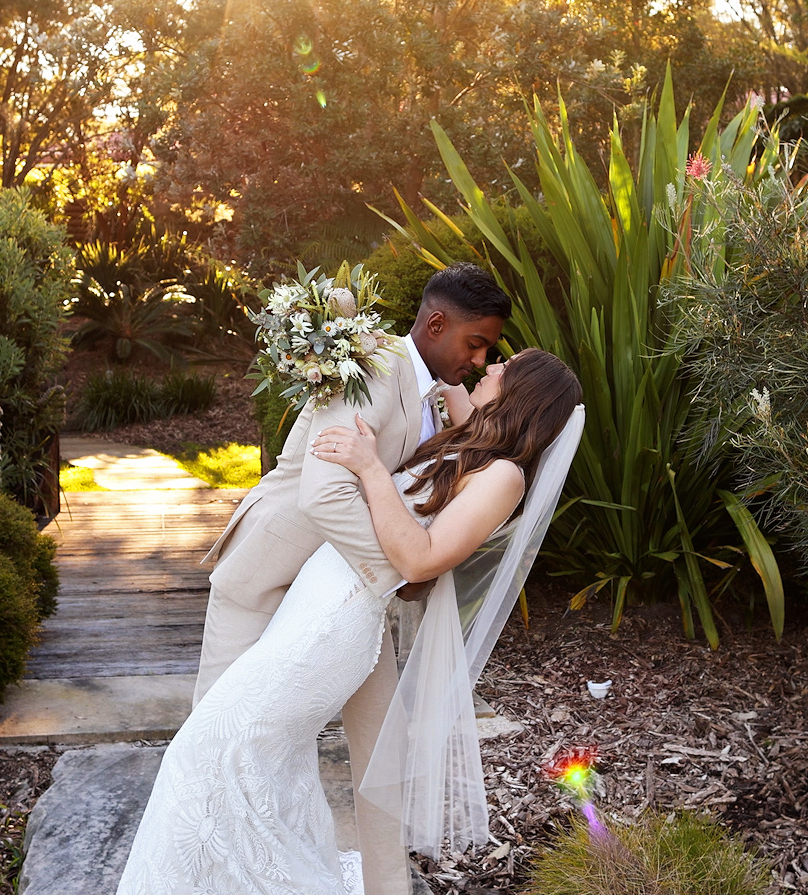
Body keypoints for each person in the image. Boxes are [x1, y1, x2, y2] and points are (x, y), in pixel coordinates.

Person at [117, 347, 584, 895]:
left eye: (507, 366)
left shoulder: (505, 477)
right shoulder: (480, 444)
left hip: (333, 626)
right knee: (266, 762)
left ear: (525, 393)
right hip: (314, 604)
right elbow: (441, 367)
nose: (492, 366)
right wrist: (341, 336)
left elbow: (421, 559)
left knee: (208, 749)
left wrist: (369, 468)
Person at [185, 263, 508, 895]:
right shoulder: (372, 364)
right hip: (268, 575)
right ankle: (204, 875)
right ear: (436, 323)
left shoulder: (433, 396)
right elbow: (324, 494)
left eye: (488, 351)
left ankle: (389, 888)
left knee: (383, 746)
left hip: (346, 592)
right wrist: (404, 571)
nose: (478, 358)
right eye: (475, 343)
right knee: (218, 741)